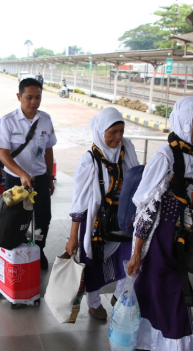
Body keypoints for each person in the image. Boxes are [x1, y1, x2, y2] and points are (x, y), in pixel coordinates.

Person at [127, 96, 193, 351]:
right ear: (185, 124)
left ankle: (147, 342)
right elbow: (146, 206)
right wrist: (137, 251)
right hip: (161, 237)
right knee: (171, 292)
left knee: (158, 290)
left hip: (184, 236)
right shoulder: (166, 156)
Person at [66, 107, 139, 320]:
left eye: (121, 131)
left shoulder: (128, 149)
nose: (118, 137)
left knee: (130, 261)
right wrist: (73, 237)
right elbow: (78, 201)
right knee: (94, 265)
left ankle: (119, 295)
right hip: (96, 224)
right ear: (100, 132)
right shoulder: (89, 160)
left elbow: (137, 177)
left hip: (124, 219)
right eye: (112, 132)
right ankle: (94, 303)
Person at [0, 78, 57, 270]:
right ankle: (17, 252)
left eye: (38, 97)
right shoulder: (7, 121)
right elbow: (3, 154)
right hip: (16, 180)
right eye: (29, 97)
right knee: (16, 218)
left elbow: (48, 150)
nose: (34, 102)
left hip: (39, 179)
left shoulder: (45, 120)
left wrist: (49, 177)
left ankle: (39, 250)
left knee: (43, 218)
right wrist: (21, 174)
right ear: (19, 96)